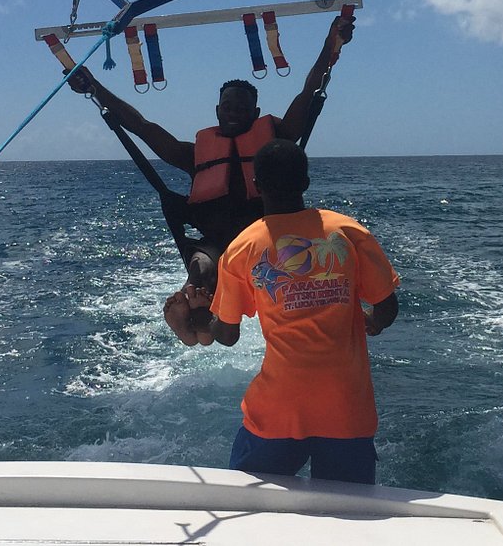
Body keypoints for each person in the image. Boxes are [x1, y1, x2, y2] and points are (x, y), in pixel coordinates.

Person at [166, 139, 400, 485]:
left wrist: (209, 322)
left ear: (256, 186)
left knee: (251, 500)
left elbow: (228, 336)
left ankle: (197, 321)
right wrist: (372, 323)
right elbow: (387, 307)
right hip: (347, 408)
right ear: (305, 182)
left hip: (278, 409)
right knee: (351, 516)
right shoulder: (348, 232)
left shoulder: (242, 247)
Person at [67, 14, 353, 292]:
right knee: (200, 269)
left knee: (279, 272)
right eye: (227, 107)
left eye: (242, 109)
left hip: (269, 240)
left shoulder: (276, 142)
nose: (233, 113)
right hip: (215, 244)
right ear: (217, 110)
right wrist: (95, 88)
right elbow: (141, 126)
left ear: (255, 113)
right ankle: (197, 305)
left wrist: (331, 46)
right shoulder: (194, 156)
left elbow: (308, 93)